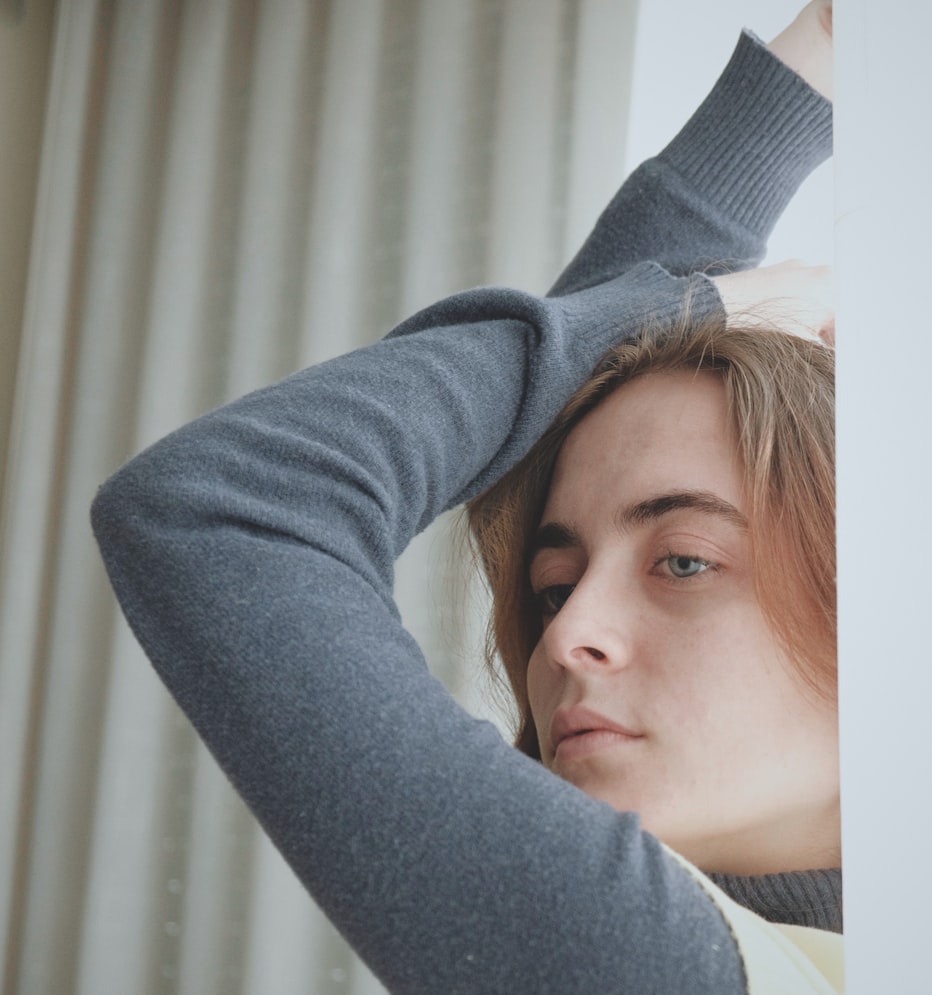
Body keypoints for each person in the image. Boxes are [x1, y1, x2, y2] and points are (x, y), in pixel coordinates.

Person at [91, 3, 838, 992]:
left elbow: (222, 503)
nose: (566, 635)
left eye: (684, 560)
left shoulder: (650, 960)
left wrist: (685, 304)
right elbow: (588, 433)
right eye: (549, 584)